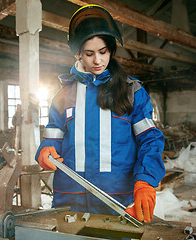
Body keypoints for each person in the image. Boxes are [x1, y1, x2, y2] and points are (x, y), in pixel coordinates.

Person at [35, 4, 165, 223]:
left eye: (103, 52)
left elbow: (150, 140)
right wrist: (45, 151)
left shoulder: (132, 92)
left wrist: (145, 180)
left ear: (111, 51)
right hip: (70, 199)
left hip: (117, 202)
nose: (97, 61)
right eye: (89, 53)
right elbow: (52, 140)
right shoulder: (63, 96)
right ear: (77, 53)